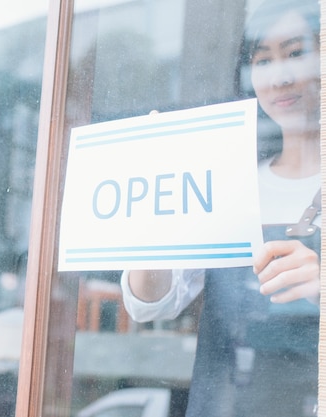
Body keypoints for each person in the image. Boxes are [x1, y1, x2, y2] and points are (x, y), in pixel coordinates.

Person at [120, 0, 320, 415]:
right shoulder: (228, 182)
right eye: (263, 60)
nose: (280, 77)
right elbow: (149, 303)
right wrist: (153, 218)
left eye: (297, 53)